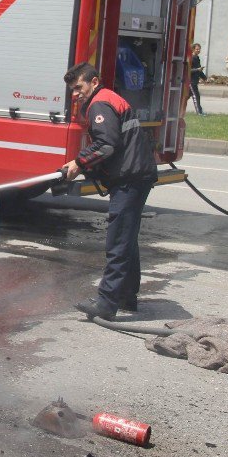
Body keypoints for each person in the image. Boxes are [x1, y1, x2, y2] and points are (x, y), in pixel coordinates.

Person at [61, 62, 158, 320]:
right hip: (135, 175)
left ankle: (107, 303)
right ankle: (127, 296)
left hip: (131, 178)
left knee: (118, 240)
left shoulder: (100, 104)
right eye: (72, 89)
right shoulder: (109, 99)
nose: (75, 93)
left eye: (79, 87)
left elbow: (106, 145)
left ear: (94, 82)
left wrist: (79, 162)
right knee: (126, 237)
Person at [189, 43, 207, 115]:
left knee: (186, 97)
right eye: (197, 49)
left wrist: (205, 78)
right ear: (193, 49)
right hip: (191, 81)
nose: (198, 50)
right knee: (196, 96)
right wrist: (197, 69)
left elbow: (199, 70)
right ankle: (199, 112)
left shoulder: (197, 58)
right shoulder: (191, 58)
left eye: (199, 49)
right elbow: (188, 70)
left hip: (195, 81)